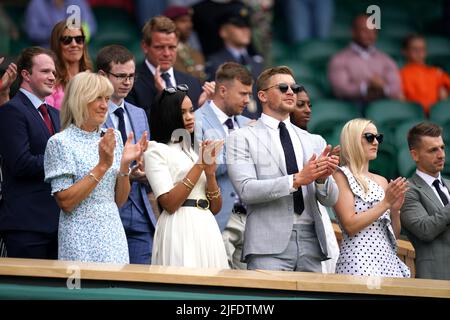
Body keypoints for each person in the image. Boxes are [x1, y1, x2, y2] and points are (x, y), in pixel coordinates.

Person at [227, 66, 339, 271]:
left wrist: (322, 179)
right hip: (266, 245)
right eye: (282, 87)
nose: (290, 92)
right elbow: (246, 190)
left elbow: (330, 200)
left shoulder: (314, 140)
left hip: (312, 241)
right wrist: (296, 180)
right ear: (262, 95)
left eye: (293, 88)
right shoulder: (241, 137)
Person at [44, 72, 147, 263]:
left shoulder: (112, 136)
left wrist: (124, 167)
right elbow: (66, 203)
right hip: (79, 236)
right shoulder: (60, 142)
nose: (104, 105)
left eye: (107, 98)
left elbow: (118, 200)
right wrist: (102, 166)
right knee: (84, 291)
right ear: (80, 100)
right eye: (97, 98)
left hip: (113, 232)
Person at [144, 87, 229, 268]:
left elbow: (215, 208)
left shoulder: (193, 151)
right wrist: (199, 164)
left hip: (206, 226)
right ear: (168, 115)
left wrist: (210, 173)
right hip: (179, 227)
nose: (190, 116)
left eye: (191, 110)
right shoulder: (156, 150)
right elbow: (169, 204)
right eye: (182, 112)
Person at [96, 45, 157, 264]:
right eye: (121, 76)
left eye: (131, 76)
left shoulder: (139, 113)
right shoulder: (91, 114)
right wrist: (126, 174)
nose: (127, 82)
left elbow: (146, 155)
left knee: (143, 283)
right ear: (102, 75)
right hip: (106, 209)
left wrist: (143, 170)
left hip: (141, 210)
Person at [0, 47, 60, 259]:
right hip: (26, 226)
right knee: (27, 292)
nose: (52, 77)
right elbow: (20, 163)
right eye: (45, 71)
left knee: (55, 293)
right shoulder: (11, 111)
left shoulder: (55, 114)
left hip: (57, 224)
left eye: (53, 72)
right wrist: (61, 163)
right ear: (25, 75)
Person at [333, 118, 410, 277]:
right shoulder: (341, 175)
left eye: (378, 137)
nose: (376, 142)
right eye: (369, 137)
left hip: (388, 261)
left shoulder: (381, 180)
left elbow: (392, 235)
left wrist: (394, 211)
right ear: (352, 140)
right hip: (358, 260)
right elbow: (350, 225)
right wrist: (386, 203)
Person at [194, 62, 253, 269]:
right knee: (220, 284)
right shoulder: (196, 121)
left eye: (249, 94)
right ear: (222, 90)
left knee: (250, 289)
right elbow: (204, 168)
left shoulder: (248, 123)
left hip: (251, 218)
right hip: (218, 216)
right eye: (243, 94)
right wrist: (240, 151)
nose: (247, 100)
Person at [290, 86, 340, 274]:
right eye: (300, 104)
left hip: (315, 216)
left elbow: (328, 196)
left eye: (309, 105)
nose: (308, 110)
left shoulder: (317, 141)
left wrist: (326, 173)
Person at [126, 15, 207, 117]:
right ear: (145, 47)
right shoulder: (130, 84)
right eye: (159, 47)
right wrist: (164, 102)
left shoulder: (193, 83)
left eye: (172, 47)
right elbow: (137, 125)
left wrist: (209, 108)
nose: (167, 53)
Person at [401, 122, 450, 280]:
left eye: (442, 147)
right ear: (415, 155)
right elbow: (425, 229)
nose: (441, 154)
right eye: (433, 150)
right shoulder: (407, 190)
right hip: (436, 278)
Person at [328, 15, 402, 112]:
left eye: (373, 31)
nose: (369, 35)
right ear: (353, 32)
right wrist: (366, 87)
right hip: (353, 109)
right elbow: (340, 89)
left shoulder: (385, 59)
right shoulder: (339, 59)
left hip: (382, 106)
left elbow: (396, 88)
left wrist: (382, 87)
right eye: (364, 31)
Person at [205, 8, 264, 119]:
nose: (245, 30)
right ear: (223, 31)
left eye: (247, 26)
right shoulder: (215, 63)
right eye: (239, 26)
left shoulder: (257, 62)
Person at [47, 20, 93, 110]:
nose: (74, 44)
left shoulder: (92, 80)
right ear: (57, 45)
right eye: (67, 40)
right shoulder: (49, 81)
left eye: (79, 39)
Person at [400, 34, 450, 116]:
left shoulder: (437, 72)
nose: (419, 53)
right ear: (405, 52)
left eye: (422, 49)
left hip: (436, 114)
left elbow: (444, 98)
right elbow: (402, 100)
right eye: (415, 49)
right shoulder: (401, 74)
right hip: (415, 115)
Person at [24, 0, 97, 48]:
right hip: (48, 49)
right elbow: (33, 32)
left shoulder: (78, 2)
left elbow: (91, 27)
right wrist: (57, 33)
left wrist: (74, 36)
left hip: (75, 47)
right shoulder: (37, 3)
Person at [163, 5, 207, 82]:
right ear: (169, 24)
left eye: (190, 21)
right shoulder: (163, 54)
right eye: (183, 21)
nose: (189, 25)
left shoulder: (196, 53)